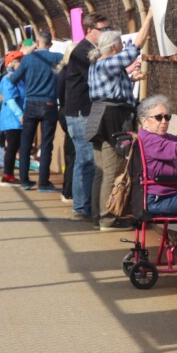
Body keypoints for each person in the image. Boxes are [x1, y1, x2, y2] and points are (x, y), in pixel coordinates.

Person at [87, 9, 153, 231]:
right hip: (112, 118)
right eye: (120, 45)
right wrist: (149, 18)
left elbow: (110, 88)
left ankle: (98, 215)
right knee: (113, 170)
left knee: (101, 170)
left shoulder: (96, 64)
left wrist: (130, 78)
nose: (123, 47)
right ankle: (108, 219)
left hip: (99, 116)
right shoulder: (108, 62)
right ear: (113, 47)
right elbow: (136, 47)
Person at [65, 13, 110, 222]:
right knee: (85, 160)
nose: (106, 33)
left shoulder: (88, 50)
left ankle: (83, 205)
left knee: (86, 160)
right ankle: (82, 206)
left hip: (82, 113)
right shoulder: (82, 51)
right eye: (103, 29)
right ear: (90, 30)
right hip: (80, 114)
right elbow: (97, 78)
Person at [7, 29, 63, 193]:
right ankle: (43, 182)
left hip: (30, 103)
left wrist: (30, 50)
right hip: (49, 103)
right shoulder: (57, 58)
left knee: (25, 143)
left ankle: (24, 180)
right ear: (51, 44)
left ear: (37, 43)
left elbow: (13, 80)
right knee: (46, 144)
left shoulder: (27, 59)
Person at [136, 94, 177, 216]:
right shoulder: (150, 140)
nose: (164, 121)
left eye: (167, 117)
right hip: (160, 199)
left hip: (169, 193)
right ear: (144, 121)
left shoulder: (154, 136)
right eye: (159, 117)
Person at [0, 50, 26, 187]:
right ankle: (7, 176)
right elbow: (10, 99)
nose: (22, 64)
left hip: (15, 118)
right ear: (11, 63)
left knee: (14, 147)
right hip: (12, 118)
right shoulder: (8, 78)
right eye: (19, 61)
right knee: (12, 147)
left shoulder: (18, 77)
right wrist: (20, 115)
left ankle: (10, 175)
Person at [56, 42, 76, 203]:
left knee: (71, 152)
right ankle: (68, 190)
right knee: (74, 154)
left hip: (63, 111)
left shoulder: (62, 71)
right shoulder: (72, 72)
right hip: (71, 112)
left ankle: (68, 189)